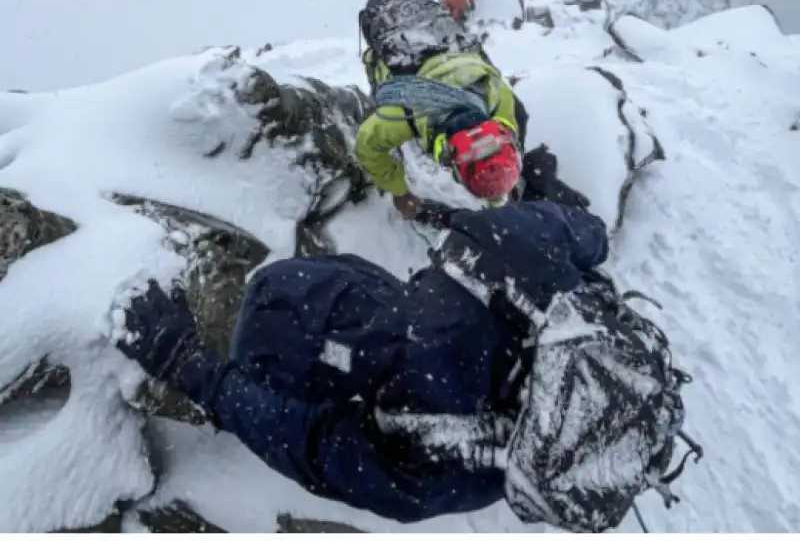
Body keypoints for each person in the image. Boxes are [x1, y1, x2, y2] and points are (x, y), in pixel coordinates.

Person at [112, 201, 699, 532]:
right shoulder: (461, 466)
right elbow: (313, 446)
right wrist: (191, 368)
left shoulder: (520, 242)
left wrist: (189, 365)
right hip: (331, 327)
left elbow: (311, 443)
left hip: (315, 321)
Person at [356, 0, 530, 219]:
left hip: (419, 17)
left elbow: (492, 155)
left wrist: (497, 188)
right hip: (386, 17)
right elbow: (367, 145)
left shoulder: (496, 95)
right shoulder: (407, 113)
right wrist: (400, 191)